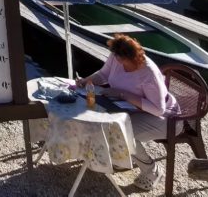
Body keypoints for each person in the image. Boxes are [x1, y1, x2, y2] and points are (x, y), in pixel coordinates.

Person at [75, 33, 180, 189]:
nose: (117, 62)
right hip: (136, 109)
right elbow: (104, 74)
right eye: (116, 57)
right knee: (105, 122)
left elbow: (158, 109)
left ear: (134, 58)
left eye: (121, 60)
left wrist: (123, 94)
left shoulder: (148, 73)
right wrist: (86, 81)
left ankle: (152, 171)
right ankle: (123, 159)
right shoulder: (116, 56)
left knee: (120, 131)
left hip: (166, 118)